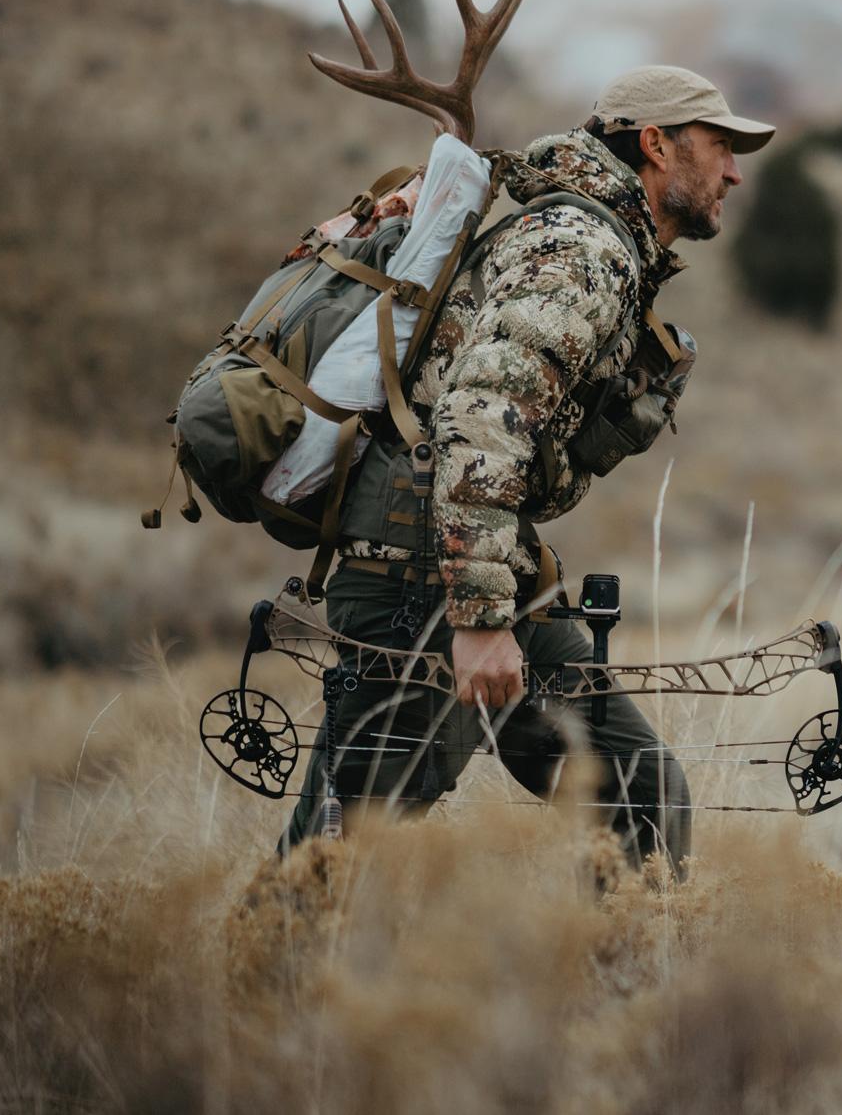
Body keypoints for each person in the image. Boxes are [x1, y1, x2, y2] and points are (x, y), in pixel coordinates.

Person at [278, 64, 773, 872]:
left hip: (480, 562)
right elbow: (480, 421)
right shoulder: (580, 249)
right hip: (421, 572)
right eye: (718, 145)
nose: (732, 170)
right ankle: (270, 977)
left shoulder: (602, 243)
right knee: (340, 861)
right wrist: (478, 622)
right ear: (655, 145)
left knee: (641, 797)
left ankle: (626, 981)